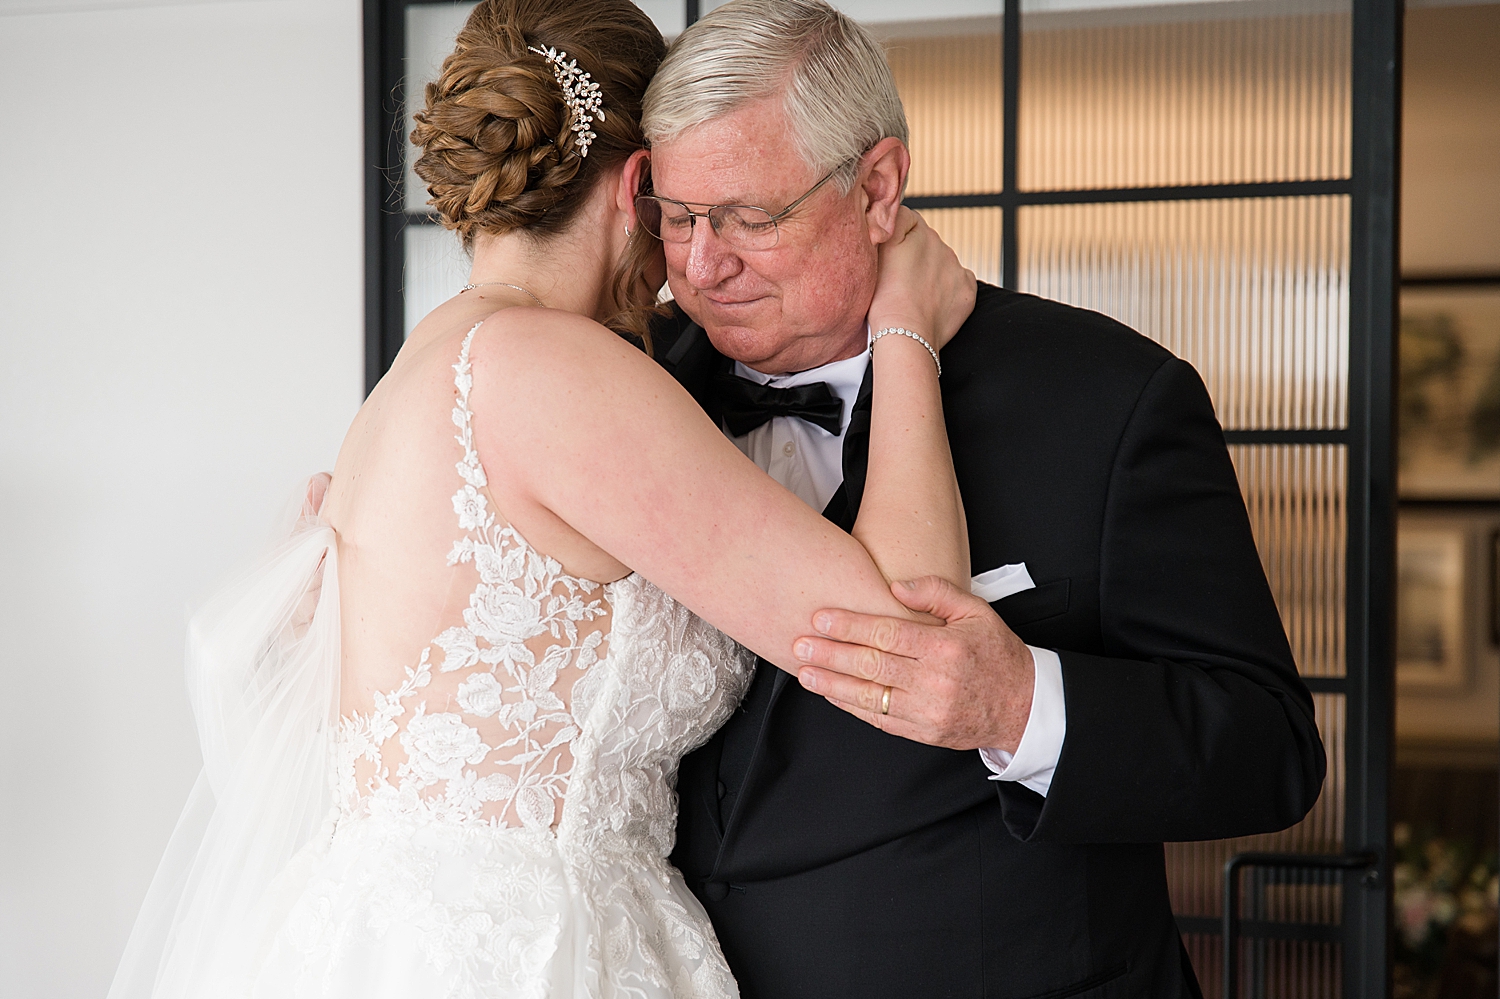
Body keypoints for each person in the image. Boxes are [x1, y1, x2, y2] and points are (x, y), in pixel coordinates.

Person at [106, 1, 977, 997]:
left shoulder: (422, 365)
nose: (696, 253)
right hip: (532, 952)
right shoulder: (549, 370)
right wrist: (906, 326)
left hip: (390, 937)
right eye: (687, 211)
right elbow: (909, 633)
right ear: (639, 182)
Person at [641, 2, 1328, 997]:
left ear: (877, 188)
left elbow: (1268, 751)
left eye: (752, 218)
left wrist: (1020, 704)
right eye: (677, 216)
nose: (704, 264)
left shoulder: (1110, 399)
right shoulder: (618, 388)